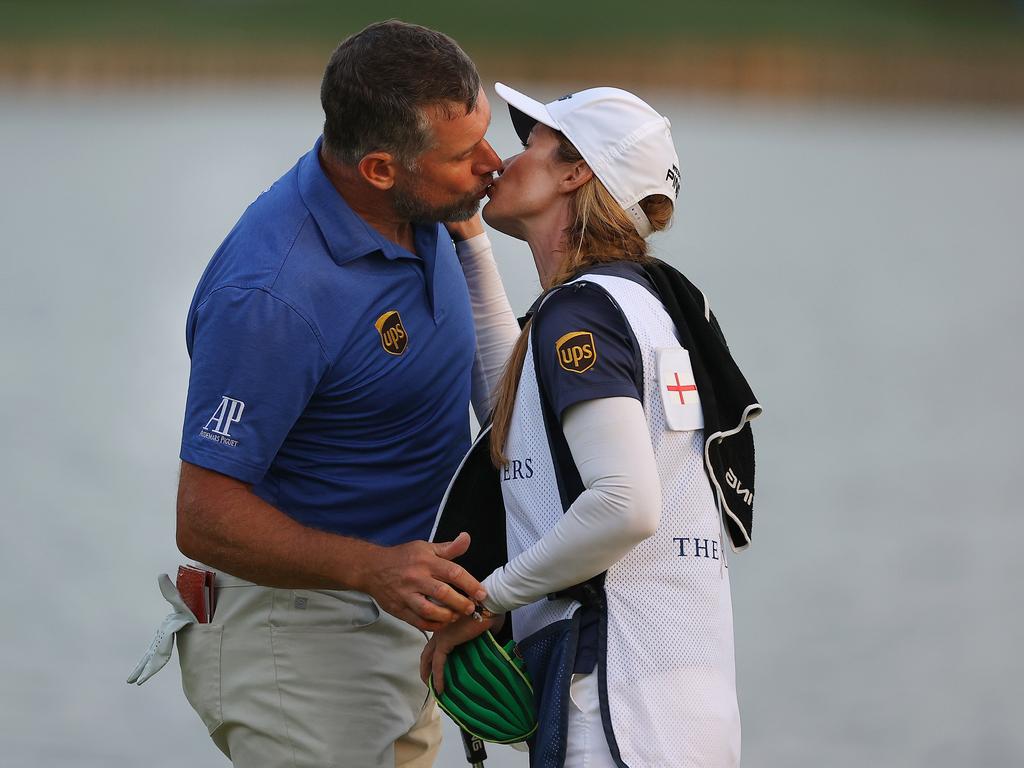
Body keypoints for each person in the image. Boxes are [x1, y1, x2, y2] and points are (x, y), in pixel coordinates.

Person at [141, 20, 518, 768]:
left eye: (485, 134)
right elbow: (203, 517)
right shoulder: (274, 296)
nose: (492, 163)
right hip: (303, 642)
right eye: (463, 153)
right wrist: (374, 570)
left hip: (393, 617)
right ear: (380, 168)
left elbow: (484, 379)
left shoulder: (422, 207)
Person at [422, 84, 761, 767]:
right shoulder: (640, 300)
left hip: (614, 715)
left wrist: (485, 604)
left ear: (574, 172)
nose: (501, 163)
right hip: (686, 712)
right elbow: (517, 425)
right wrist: (469, 242)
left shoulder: (581, 314)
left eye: (530, 147)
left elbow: (624, 506)